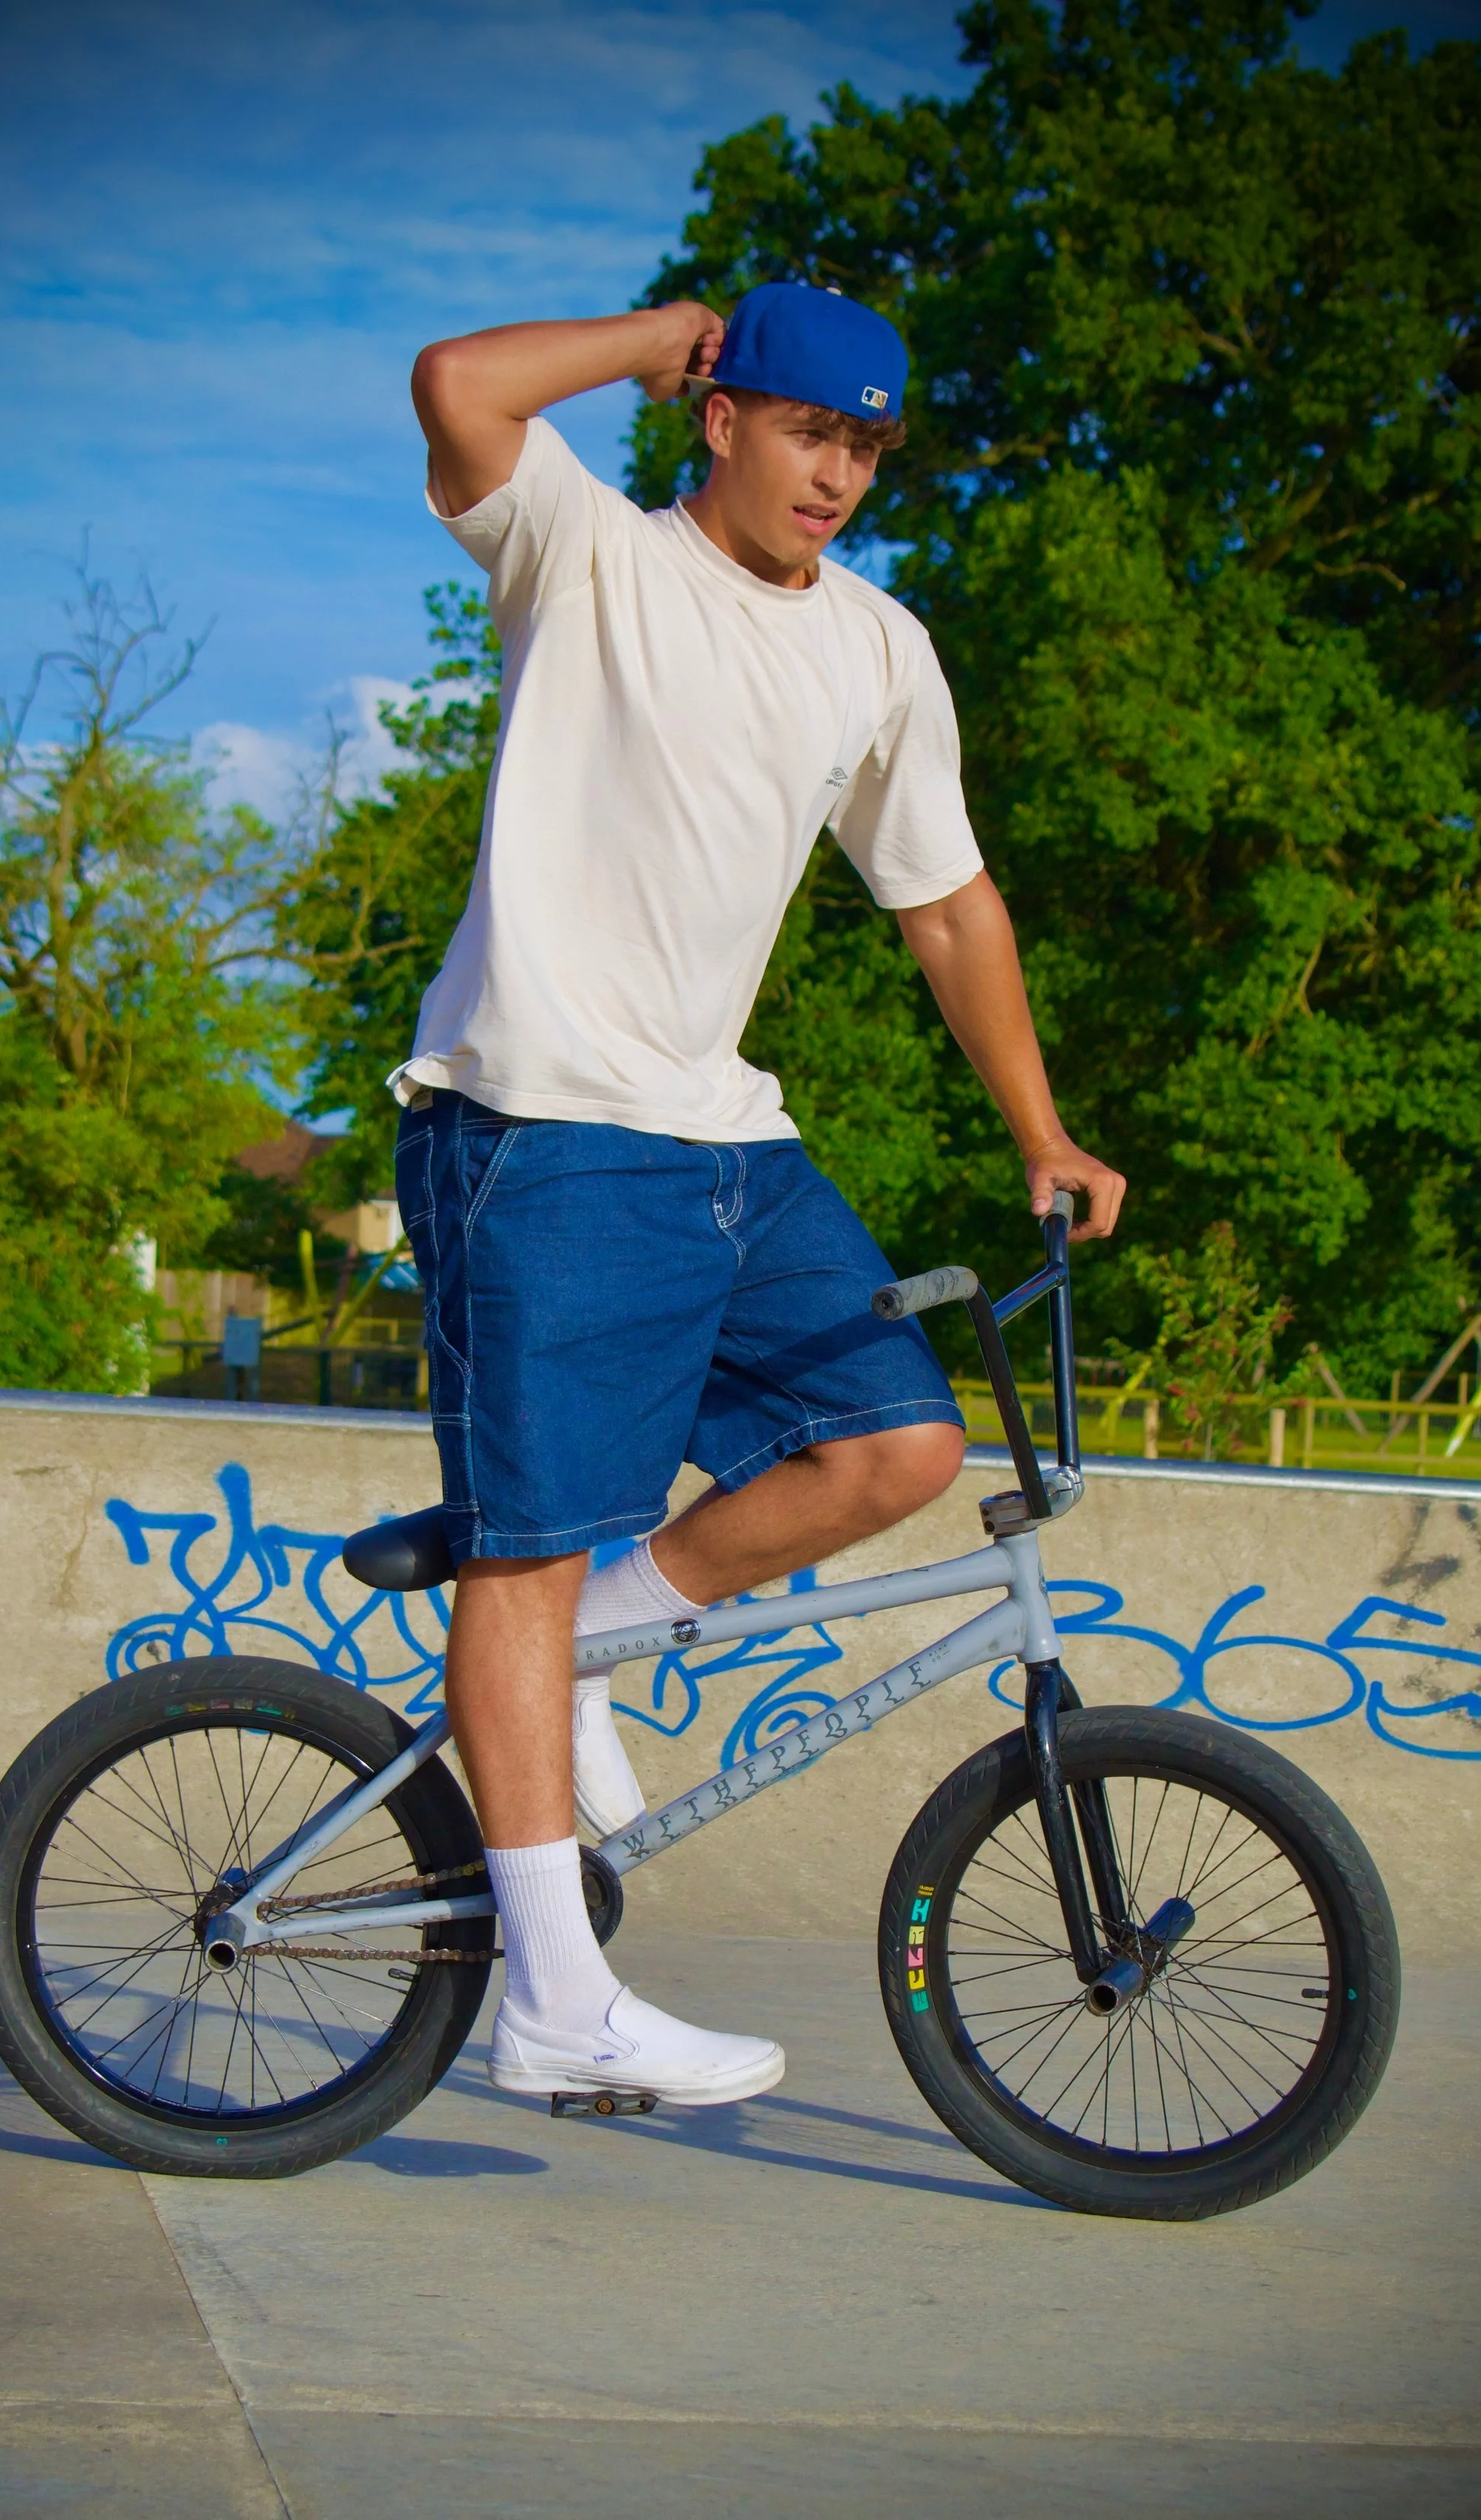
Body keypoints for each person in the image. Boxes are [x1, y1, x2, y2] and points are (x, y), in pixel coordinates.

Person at [395, 282, 1124, 2109]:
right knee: (519, 1551)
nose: (839, 474)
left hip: (725, 1141)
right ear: (721, 418)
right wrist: (656, 331)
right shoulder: (585, 558)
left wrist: (1039, 1130)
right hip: (540, 1126)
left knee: (899, 1444)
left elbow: (945, 903)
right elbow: (459, 387)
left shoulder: (877, 646)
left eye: (867, 447)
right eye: (810, 430)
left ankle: (591, 1641)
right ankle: (555, 1998)